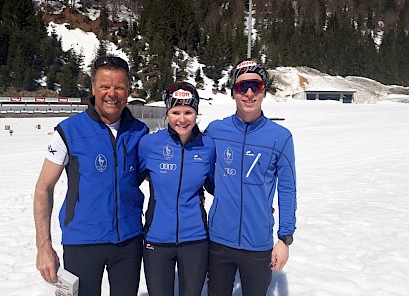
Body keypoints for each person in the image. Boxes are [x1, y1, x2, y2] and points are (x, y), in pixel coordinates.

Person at [33, 55, 148, 295]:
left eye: (119, 87)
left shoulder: (140, 132)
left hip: (128, 241)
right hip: (82, 241)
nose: (111, 94)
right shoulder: (69, 130)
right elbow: (44, 188)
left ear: (128, 90)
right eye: (105, 86)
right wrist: (43, 245)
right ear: (93, 88)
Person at [205, 58, 297, 295]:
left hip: (258, 244)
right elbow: (202, 171)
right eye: (241, 86)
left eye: (255, 86)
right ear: (233, 92)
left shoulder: (280, 137)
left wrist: (284, 239)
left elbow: (287, 190)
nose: (248, 93)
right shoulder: (216, 130)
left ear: (264, 90)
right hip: (218, 241)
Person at [138, 81, 216, 296]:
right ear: (167, 112)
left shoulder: (208, 146)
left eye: (189, 112)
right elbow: (129, 184)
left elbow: (216, 187)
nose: (182, 119)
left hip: (195, 239)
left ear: (196, 113)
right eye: (176, 112)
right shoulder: (149, 144)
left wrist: (251, 202)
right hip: (157, 238)